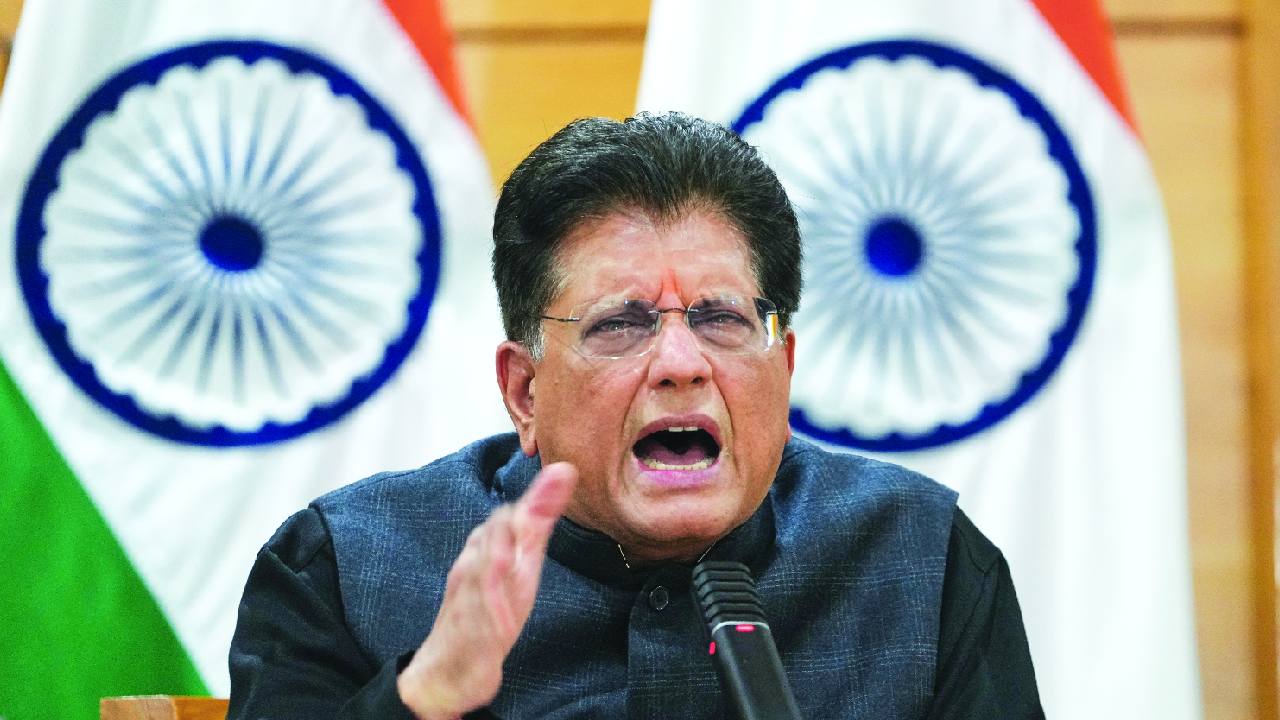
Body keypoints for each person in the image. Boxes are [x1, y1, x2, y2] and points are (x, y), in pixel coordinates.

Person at [227, 112, 1043, 719]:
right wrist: (427, 695)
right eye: (620, 324)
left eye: (722, 318)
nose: (682, 362)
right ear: (524, 392)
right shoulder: (342, 568)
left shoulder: (922, 559)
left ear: (784, 371)